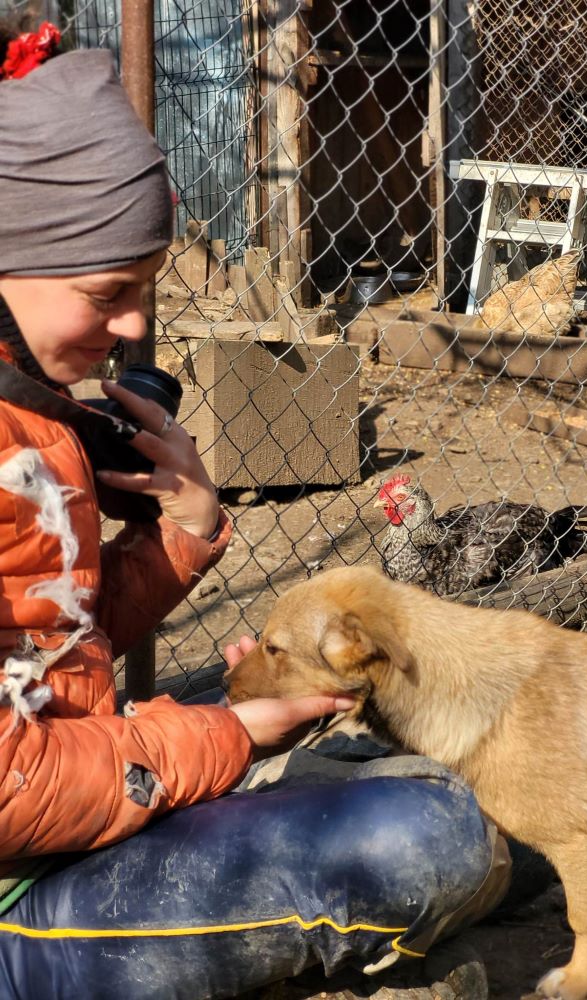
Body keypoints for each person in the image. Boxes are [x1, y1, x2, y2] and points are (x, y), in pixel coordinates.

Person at [0, 20, 514, 1000]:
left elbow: (49, 653)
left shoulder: (40, 419)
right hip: (22, 882)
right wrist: (225, 737)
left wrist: (186, 528)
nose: (135, 327)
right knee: (425, 835)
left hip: (80, 810)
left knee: (466, 795)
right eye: (107, 291)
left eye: (145, 289)